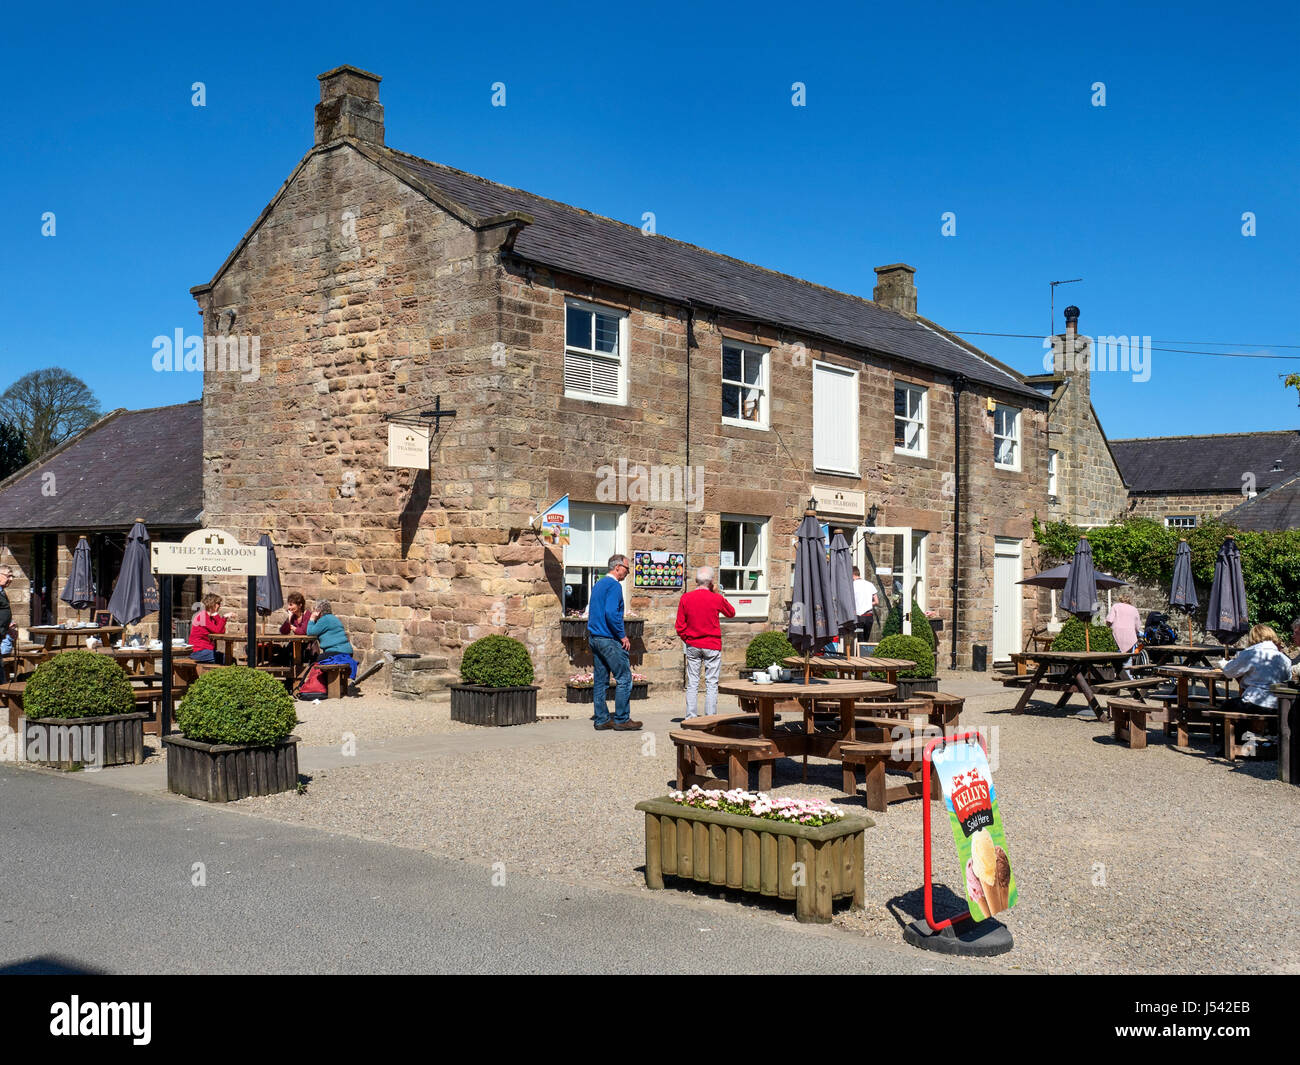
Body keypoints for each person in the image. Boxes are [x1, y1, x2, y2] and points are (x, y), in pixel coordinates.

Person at [587, 554, 640, 731]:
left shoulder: (599, 584)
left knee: (601, 681)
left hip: (595, 637)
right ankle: (622, 719)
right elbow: (611, 614)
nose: (627, 573)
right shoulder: (614, 586)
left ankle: (602, 719)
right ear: (617, 567)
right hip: (608, 638)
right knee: (624, 678)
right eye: (626, 569)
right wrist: (622, 636)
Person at [675, 566, 736, 718]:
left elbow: (679, 626)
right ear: (711, 582)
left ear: (696, 581)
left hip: (693, 644)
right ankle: (710, 718)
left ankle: (690, 717)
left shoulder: (686, 598)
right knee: (711, 683)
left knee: (693, 683)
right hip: (712, 645)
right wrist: (718, 593)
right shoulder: (716, 598)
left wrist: (688, 639)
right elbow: (731, 613)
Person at [1219, 624, 1291, 711]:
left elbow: (1229, 672)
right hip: (1277, 705)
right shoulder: (1285, 659)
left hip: (1255, 701)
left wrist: (1224, 664)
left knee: (1224, 706)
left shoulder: (1251, 653)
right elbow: (1288, 681)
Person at [306, 600, 358, 680]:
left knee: (316, 659)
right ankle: (331, 684)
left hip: (338, 652)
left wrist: (312, 619)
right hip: (345, 651)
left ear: (318, 611)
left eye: (314, 610)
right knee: (318, 658)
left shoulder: (325, 619)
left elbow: (310, 632)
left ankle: (325, 686)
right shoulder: (332, 618)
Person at [189, 593, 229, 664]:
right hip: (198, 651)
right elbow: (217, 630)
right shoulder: (202, 617)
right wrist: (224, 618)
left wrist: (216, 616)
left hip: (206, 650)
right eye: (218, 603)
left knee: (229, 658)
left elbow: (221, 631)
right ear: (212, 604)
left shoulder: (211, 617)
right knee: (226, 658)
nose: (220, 606)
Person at [1106, 590, 1142, 659]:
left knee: (1117, 654)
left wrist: (1108, 626)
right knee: (1128, 657)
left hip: (1117, 633)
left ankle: (1119, 666)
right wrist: (1137, 633)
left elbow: (1109, 620)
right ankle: (1127, 668)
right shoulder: (1134, 609)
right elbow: (1137, 626)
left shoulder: (1115, 606)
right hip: (1130, 634)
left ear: (1120, 599)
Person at [851, 566, 878, 650]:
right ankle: (863, 657)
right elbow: (876, 601)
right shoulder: (870, 584)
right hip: (869, 616)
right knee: (865, 641)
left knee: (858, 640)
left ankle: (858, 659)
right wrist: (867, 604)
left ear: (852, 574)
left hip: (859, 616)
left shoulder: (852, 585)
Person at [0, 565, 14, 683]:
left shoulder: (2, 591)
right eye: (8, 576)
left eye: (12, 576)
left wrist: (8, 625)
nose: (11, 579)